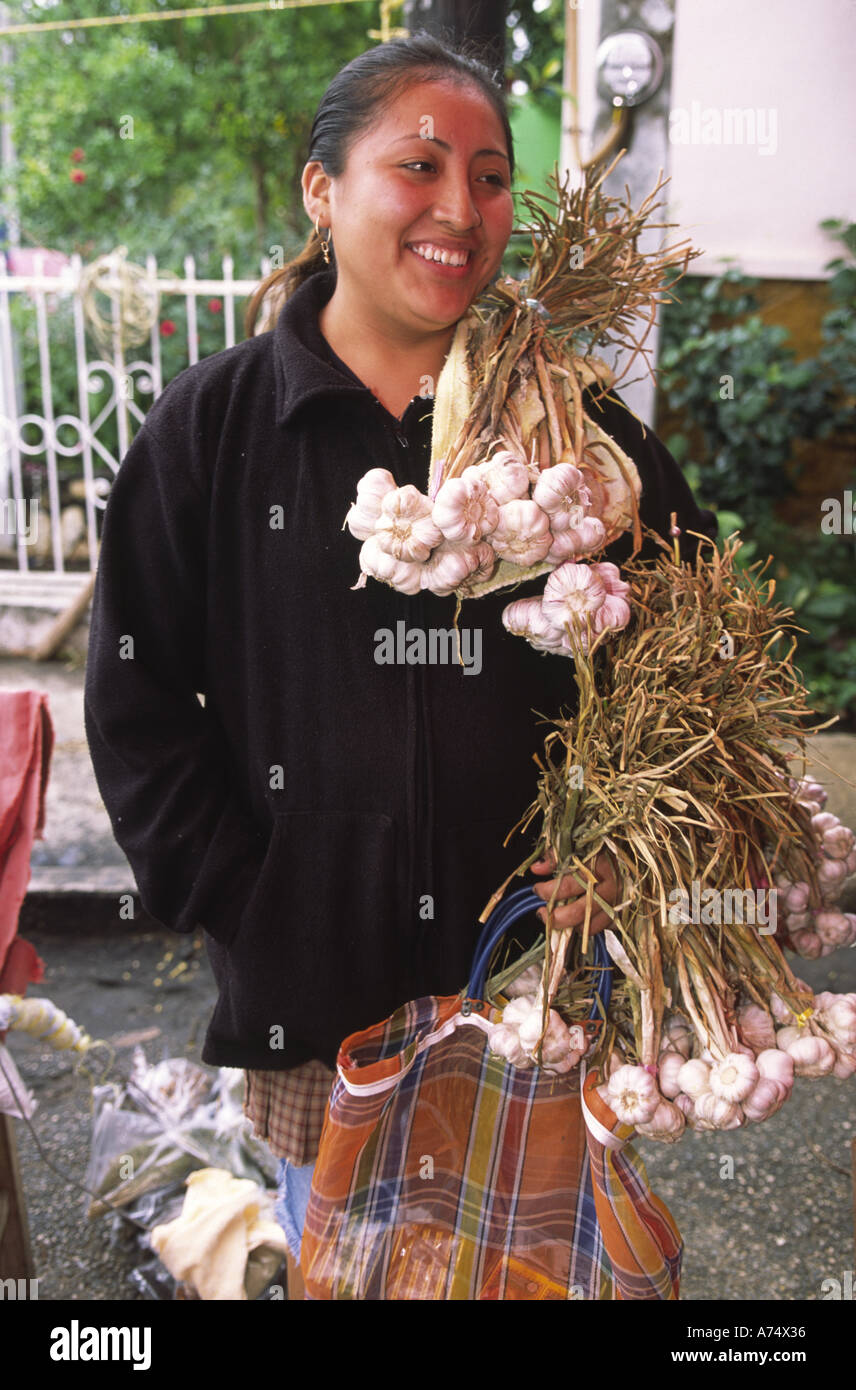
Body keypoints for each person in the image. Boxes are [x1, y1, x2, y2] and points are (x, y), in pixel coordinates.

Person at [84, 32, 718, 1300]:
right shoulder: (214, 431)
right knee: (352, 1265)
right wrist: (241, 893)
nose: (460, 209)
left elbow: (701, 650)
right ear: (321, 191)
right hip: (321, 996)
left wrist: (637, 849)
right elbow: (138, 701)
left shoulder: (575, 429)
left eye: (489, 177)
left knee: (550, 1271)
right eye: (417, 165)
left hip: (541, 976)